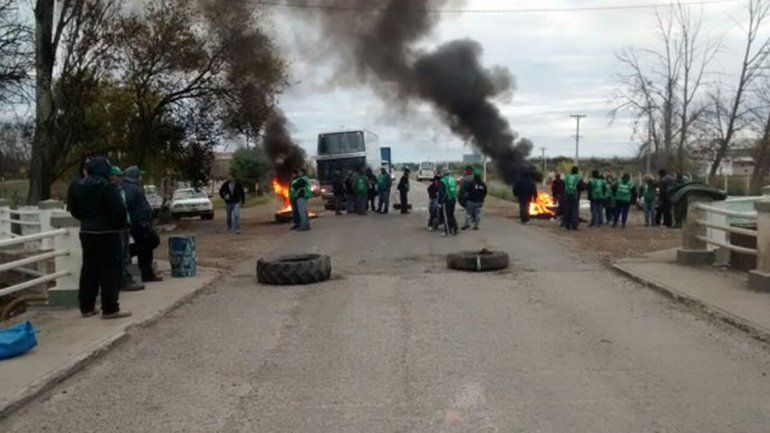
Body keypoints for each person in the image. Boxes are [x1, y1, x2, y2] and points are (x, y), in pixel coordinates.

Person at [69, 157, 132, 319]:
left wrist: (87, 220)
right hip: (107, 233)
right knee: (109, 270)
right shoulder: (108, 187)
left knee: (89, 269)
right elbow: (119, 211)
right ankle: (110, 308)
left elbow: (74, 209)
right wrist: (119, 226)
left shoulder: (77, 186)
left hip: (87, 232)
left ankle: (86, 307)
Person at [124, 166, 163, 282]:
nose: (141, 177)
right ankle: (128, 253)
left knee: (147, 245)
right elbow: (129, 205)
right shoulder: (130, 188)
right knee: (152, 241)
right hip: (139, 224)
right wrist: (140, 221)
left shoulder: (134, 187)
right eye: (139, 175)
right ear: (134, 176)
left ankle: (147, 273)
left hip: (142, 222)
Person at [563, 166, 585, 230]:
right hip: (575, 196)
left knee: (568, 210)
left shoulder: (567, 177)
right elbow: (583, 187)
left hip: (567, 196)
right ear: (577, 171)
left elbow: (564, 185)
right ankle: (574, 226)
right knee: (574, 210)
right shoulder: (578, 178)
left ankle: (567, 225)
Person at [438, 168, 459, 235]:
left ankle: (447, 231)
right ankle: (455, 228)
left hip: (446, 200)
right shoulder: (452, 179)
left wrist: (440, 202)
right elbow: (456, 189)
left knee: (446, 216)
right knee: (451, 214)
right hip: (453, 198)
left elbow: (442, 193)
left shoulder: (443, 181)